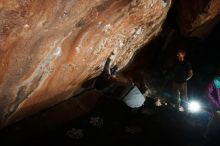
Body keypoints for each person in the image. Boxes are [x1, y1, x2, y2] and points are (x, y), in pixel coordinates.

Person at [205, 67, 220, 143]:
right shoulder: (216, 81)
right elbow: (207, 93)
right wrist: (214, 103)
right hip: (217, 106)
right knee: (215, 120)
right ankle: (208, 136)